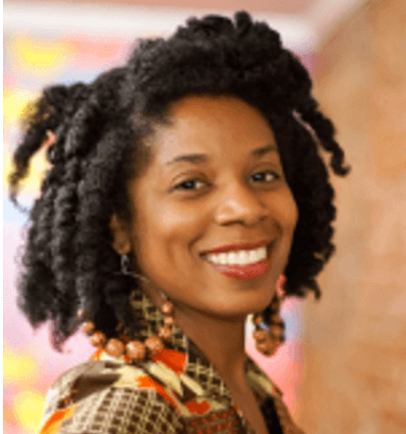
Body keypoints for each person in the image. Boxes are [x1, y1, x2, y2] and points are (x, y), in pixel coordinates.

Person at [9, 11, 349, 434]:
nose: (245, 208)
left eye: (263, 176)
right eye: (191, 183)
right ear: (119, 227)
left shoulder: (245, 382)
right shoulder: (124, 413)